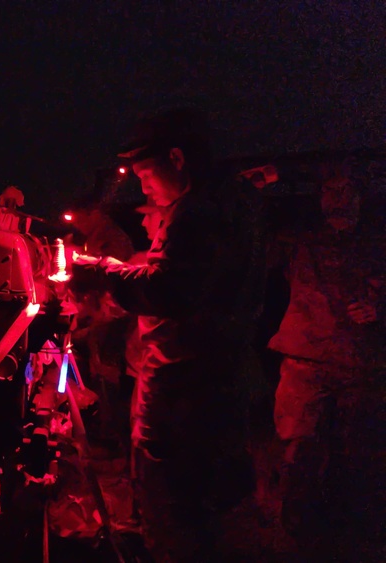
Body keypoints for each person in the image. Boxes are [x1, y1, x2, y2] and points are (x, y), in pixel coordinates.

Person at [67, 108, 262, 562]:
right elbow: (191, 279)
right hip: (220, 380)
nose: (143, 187)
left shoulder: (197, 210)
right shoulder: (237, 204)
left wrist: (99, 271)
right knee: (204, 504)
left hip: (182, 387)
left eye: (144, 173)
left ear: (176, 158)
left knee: (170, 506)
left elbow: (171, 289)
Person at [267, 162, 385, 560]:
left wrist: (379, 307)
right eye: (329, 190)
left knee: (358, 453)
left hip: (361, 365)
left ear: (360, 196)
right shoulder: (299, 242)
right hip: (305, 361)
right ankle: (299, 532)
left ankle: (352, 528)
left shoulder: (377, 242)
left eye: (346, 190)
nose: (338, 199)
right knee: (299, 450)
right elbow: (244, 246)